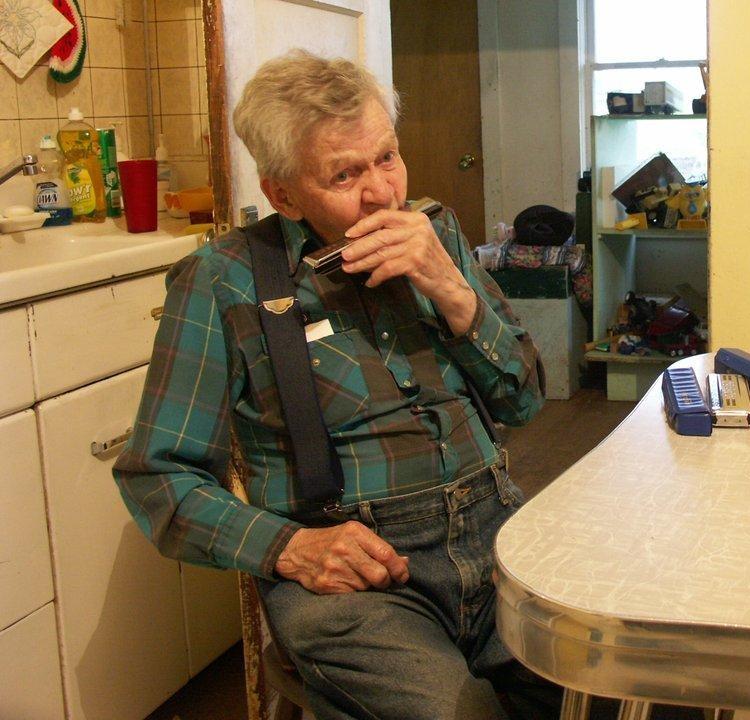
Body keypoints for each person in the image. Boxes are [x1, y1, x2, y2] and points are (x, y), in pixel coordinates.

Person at [113, 49, 553, 720]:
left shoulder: (435, 235)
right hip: (361, 582)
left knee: (625, 682)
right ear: (283, 193)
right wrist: (288, 547)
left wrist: (451, 287)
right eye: (345, 174)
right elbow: (156, 476)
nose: (381, 192)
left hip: (497, 537)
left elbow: (523, 399)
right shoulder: (223, 282)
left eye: (387, 157)